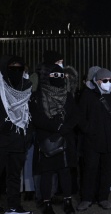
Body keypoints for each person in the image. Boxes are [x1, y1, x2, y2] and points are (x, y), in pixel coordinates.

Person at [29, 63, 79, 214]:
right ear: (48, 77)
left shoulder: (68, 95)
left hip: (64, 138)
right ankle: (47, 203)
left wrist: (64, 128)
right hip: (47, 139)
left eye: (60, 75)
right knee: (47, 173)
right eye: (54, 75)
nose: (57, 78)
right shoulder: (39, 94)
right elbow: (37, 117)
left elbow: (75, 116)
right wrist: (56, 128)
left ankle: (68, 201)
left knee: (65, 172)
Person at [77, 68, 111, 211]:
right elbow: (80, 117)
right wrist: (88, 130)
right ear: (97, 81)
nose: (108, 83)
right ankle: (87, 198)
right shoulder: (88, 95)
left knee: (106, 171)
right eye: (105, 81)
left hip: (110, 140)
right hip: (92, 141)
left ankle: (103, 198)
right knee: (90, 170)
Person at [0, 55, 33, 214]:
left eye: (19, 68)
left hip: (19, 139)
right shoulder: (0, 85)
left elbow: (30, 111)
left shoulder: (26, 85)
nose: (16, 71)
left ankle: (14, 206)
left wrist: (28, 136)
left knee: (14, 176)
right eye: (12, 68)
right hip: (2, 139)